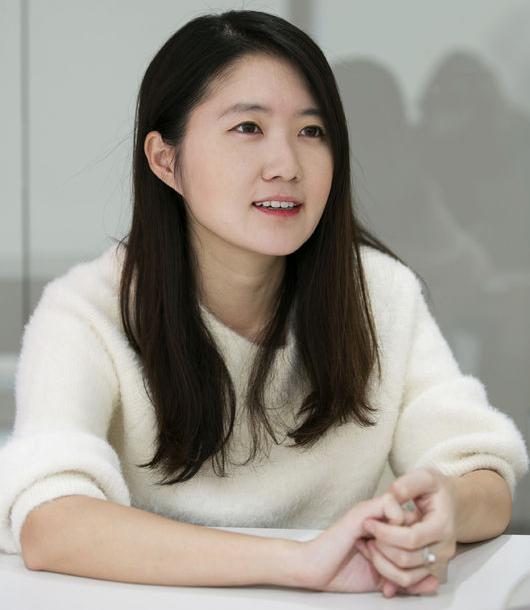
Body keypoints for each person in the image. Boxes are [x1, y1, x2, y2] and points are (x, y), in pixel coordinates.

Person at [0, 10, 527, 598]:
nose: (287, 166)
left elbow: (480, 470)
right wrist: (297, 563)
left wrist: (448, 504)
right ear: (166, 160)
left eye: (312, 131)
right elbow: (49, 520)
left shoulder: (380, 294)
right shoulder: (86, 311)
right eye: (248, 127)